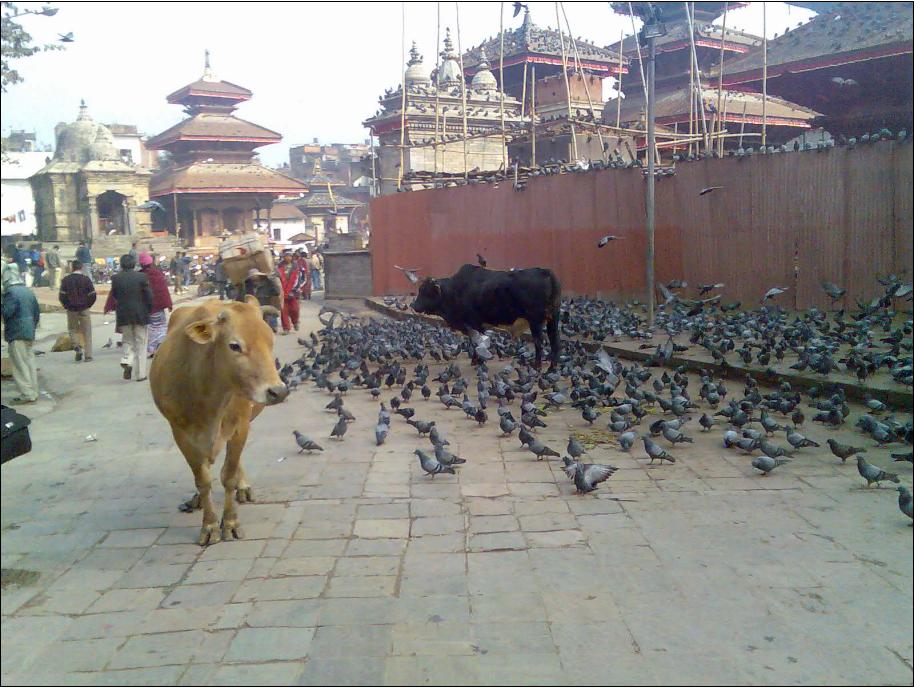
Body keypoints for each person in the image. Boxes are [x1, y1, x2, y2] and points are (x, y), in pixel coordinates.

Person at [105, 254, 153, 381]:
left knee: (127, 340)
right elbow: (149, 296)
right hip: (140, 314)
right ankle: (141, 374)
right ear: (134, 264)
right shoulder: (142, 277)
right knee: (141, 343)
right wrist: (148, 309)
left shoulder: (116, 278)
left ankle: (127, 360)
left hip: (123, 314)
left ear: (121, 264)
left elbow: (115, 295)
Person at [2, 267, 41, 404]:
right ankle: (33, 391)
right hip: (29, 331)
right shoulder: (27, 291)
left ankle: (27, 393)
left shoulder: (10, 293)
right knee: (29, 362)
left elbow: (7, 312)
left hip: (16, 331)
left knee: (19, 365)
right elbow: (36, 312)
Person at [58, 260, 97, 362]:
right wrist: (88, 305)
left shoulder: (66, 280)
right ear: (81, 267)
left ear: (72, 268)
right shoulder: (86, 279)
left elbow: (62, 296)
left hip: (71, 309)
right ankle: (88, 355)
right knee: (87, 331)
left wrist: (67, 306)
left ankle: (77, 346)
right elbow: (93, 295)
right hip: (84, 308)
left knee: (72, 329)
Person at [138, 251, 172, 356]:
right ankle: (160, 347)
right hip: (158, 307)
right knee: (160, 326)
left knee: (149, 328)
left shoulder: (138, 276)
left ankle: (151, 349)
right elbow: (164, 290)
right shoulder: (157, 273)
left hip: (144, 308)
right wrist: (169, 304)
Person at [241, 268, 280, 332]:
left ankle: (272, 327)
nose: (253, 277)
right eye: (252, 276)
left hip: (266, 303)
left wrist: (272, 281)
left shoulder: (268, 283)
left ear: (259, 275)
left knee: (269, 318)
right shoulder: (248, 285)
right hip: (254, 306)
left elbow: (277, 292)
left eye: (255, 275)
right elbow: (244, 295)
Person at [277, 251, 304, 334]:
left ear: (292, 257)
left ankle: (295, 322)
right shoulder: (279, 267)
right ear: (283, 257)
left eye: (289, 256)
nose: (288, 258)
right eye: (286, 256)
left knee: (294, 309)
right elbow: (276, 279)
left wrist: (293, 290)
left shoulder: (296, 267)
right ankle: (286, 328)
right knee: (283, 311)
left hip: (293, 292)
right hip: (282, 292)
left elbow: (299, 279)